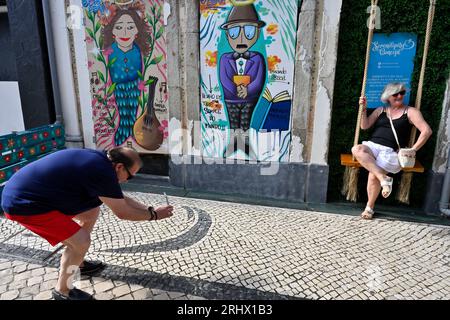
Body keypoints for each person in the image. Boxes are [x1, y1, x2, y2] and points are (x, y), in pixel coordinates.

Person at [1, 147, 174, 300]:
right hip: (23, 204)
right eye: (130, 176)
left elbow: (119, 199)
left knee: (91, 211)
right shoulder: (102, 172)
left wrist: (150, 208)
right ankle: (63, 292)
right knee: (81, 242)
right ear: (119, 167)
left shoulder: (100, 160)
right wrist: (154, 216)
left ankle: (79, 263)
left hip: (30, 193)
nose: (128, 180)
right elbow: (122, 212)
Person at [351, 83, 432, 220]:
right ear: (387, 97)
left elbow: (427, 131)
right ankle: (384, 178)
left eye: (402, 93)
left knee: (372, 175)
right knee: (356, 149)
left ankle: (369, 208)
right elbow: (364, 126)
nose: (400, 96)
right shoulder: (380, 110)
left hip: (390, 152)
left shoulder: (410, 112)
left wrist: (413, 150)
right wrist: (363, 109)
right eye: (395, 94)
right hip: (373, 146)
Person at [219, 3, 266, 158]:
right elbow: (224, 79)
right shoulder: (225, 59)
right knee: (233, 123)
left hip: (250, 99)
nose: (241, 37)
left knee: (245, 123)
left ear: (257, 34)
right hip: (231, 99)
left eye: (249, 31)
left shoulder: (257, 58)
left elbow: (259, 80)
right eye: (234, 32)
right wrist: (236, 91)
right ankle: (233, 145)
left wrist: (247, 91)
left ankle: (245, 146)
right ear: (227, 35)